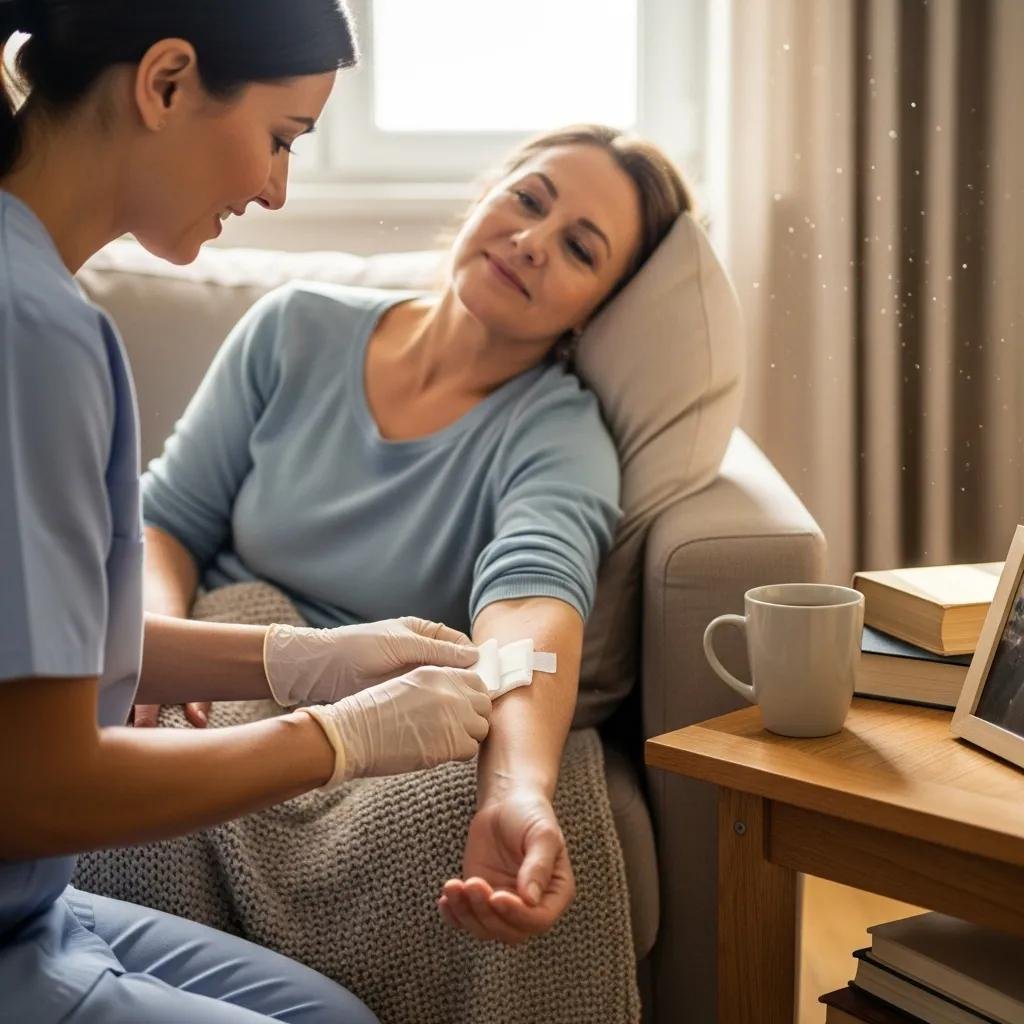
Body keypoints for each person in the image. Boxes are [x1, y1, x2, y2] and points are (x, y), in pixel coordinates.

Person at [0, 3, 493, 1022]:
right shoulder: (32, 331)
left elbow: (33, 651)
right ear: (166, 83)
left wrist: (298, 658)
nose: (275, 188)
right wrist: (338, 737)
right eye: (281, 137)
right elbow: (37, 786)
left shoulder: (36, 294)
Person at [131, 124, 693, 945]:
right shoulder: (294, 327)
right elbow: (167, 521)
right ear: (484, 196)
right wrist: (151, 648)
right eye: (527, 200)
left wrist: (517, 790)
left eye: (580, 248)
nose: (532, 242)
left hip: (385, 715)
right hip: (226, 659)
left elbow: (530, 607)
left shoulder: (561, 436)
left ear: (600, 308)